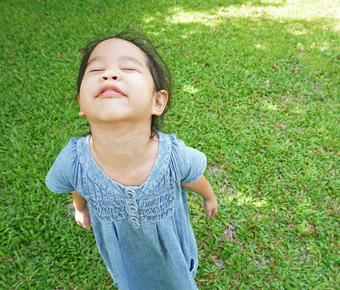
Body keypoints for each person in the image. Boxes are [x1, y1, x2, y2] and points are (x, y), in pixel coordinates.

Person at [45, 30, 218, 290]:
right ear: (81, 102)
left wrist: (209, 197)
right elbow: (76, 183)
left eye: (127, 67)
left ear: (157, 101)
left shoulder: (173, 156)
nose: (109, 74)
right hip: (125, 265)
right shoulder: (73, 161)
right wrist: (80, 208)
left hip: (174, 261)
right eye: (96, 70)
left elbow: (194, 177)